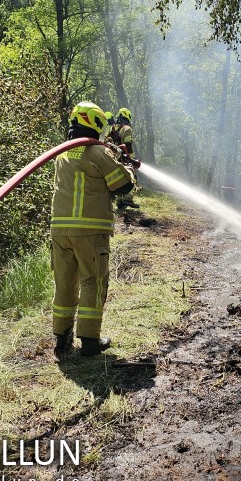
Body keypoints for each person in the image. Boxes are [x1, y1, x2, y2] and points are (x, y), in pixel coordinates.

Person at [51, 101, 136, 357]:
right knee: (93, 281)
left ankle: (61, 340)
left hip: (60, 230)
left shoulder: (62, 154)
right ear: (95, 124)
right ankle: (89, 341)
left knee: (64, 284)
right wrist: (127, 166)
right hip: (89, 230)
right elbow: (122, 186)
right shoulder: (97, 153)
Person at [113, 107, 140, 209]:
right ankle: (128, 199)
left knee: (121, 179)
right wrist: (130, 159)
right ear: (127, 117)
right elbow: (128, 144)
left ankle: (120, 201)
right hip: (126, 159)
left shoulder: (116, 129)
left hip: (118, 158)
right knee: (132, 178)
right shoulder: (127, 128)